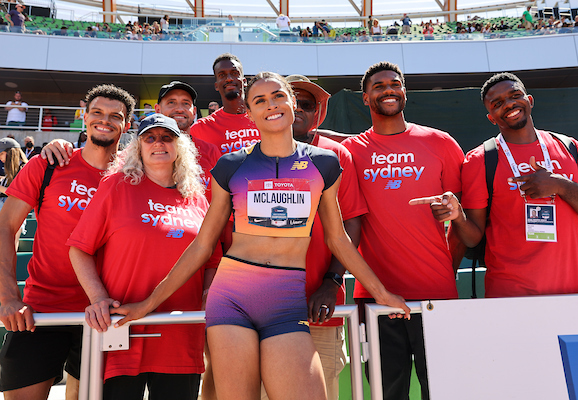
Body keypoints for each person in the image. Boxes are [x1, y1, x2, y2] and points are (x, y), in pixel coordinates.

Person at [104, 71, 410, 400]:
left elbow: (339, 240)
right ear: (249, 113)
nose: (271, 105)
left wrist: (381, 292)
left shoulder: (324, 164)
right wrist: (149, 303)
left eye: (278, 96)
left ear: (292, 102)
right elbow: (203, 245)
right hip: (232, 298)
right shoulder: (231, 166)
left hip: (286, 301)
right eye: (260, 100)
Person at [67, 114, 220, 400]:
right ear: (138, 147)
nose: (158, 143)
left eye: (167, 137)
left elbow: (211, 259)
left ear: (180, 145)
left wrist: (210, 291)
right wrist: (98, 297)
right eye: (150, 137)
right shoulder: (116, 186)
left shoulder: (197, 197)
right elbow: (79, 248)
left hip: (180, 332)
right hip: (122, 328)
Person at [0, 84, 135, 400]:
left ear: (127, 125)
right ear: (84, 116)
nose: (105, 121)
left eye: (116, 116)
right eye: (97, 112)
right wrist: (8, 295)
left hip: (107, 314)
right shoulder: (48, 164)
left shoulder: (133, 174)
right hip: (41, 309)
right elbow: (5, 226)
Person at [414, 72, 578, 299]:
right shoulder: (480, 159)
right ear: (491, 117)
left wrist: (560, 185)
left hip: (577, 289)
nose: (509, 104)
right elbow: (472, 237)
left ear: (529, 100)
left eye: (515, 95)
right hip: (511, 294)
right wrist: (458, 216)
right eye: (498, 103)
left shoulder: (569, 147)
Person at [341, 61, 464, 400]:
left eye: (394, 83)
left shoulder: (440, 143)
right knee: (387, 392)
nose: (388, 90)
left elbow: (463, 215)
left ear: (404, 91)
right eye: (378, 87)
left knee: (441, 389)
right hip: (377, 296)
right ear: (366, 98)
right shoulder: (350, 151)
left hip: (435, 295)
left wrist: (448, 253)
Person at [281, 74, 368, 400]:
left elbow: (352, 224)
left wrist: (333, 282)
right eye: (293, 101)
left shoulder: (335, 155)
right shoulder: (251, 157)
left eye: (308, 104)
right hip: (263, 310)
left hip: (320, 310)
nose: (299, 109)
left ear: (318, 111)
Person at [190, 53, 259, 155]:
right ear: (216, 85)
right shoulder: (200, 129)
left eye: (234, 73)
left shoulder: (264, 117)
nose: (229, 78)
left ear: (244, 81)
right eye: (222, 75)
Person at [0, 137, 28, 250]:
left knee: (8, 250)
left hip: (13, 216)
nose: (0, 157)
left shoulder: (24, 169)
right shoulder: (10, 173)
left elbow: (17, 193)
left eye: (1, 153)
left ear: (10, 153)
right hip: (6, 216)